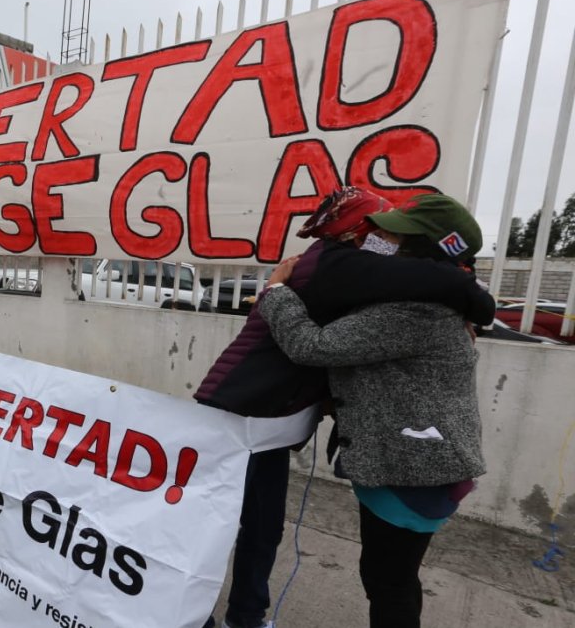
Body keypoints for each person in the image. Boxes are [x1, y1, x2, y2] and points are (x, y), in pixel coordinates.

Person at [196, 188, 495, 628]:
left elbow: (313, 346)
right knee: (390, 579)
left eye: (392, 235)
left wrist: (275, 290)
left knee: (388, 583)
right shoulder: (387, 286)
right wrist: (472, 298)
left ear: (426, 251)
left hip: (411, 467)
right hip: (393, 459)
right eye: (372, 229)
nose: (377, 239)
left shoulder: (413, 307)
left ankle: (237, 614)